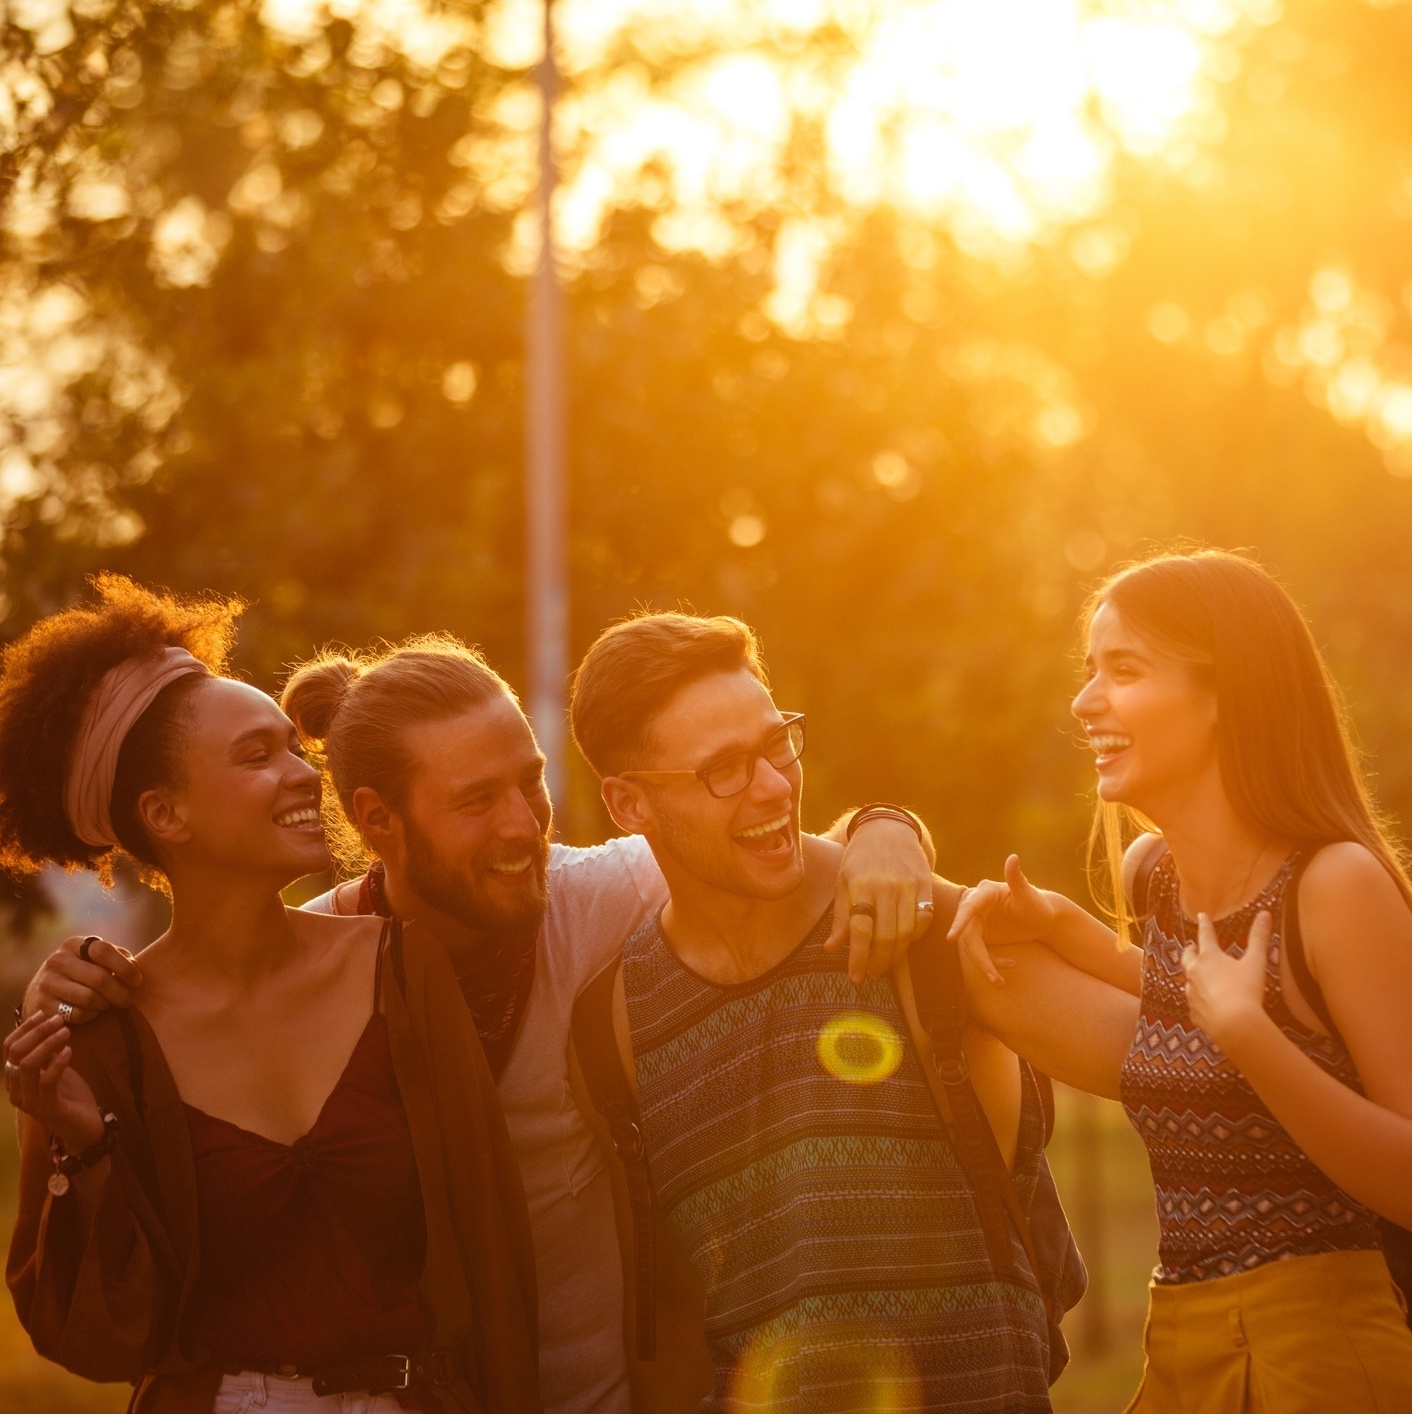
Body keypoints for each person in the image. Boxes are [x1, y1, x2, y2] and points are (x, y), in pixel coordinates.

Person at [29, 631, 939, 1414]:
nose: (523, 828)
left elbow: (772, 848)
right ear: (379, 821)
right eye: (475, 801)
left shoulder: (597, 895)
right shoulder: (340, 953)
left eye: (530, 783)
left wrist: (887, 830)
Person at [0, 576, 541, 1413]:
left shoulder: (401, 969)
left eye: (294, 748)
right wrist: (80, 1141)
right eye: (258, 757)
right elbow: (92, 1337)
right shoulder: (102, 1034)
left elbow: (494, 1256)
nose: (304, 775)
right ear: (165, 815)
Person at [568, 610, 1086, 1413]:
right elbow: (673, 1316)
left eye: (778, 743)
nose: (773, 785)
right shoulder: (613, 1024)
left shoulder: (917, 926)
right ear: (628, 805)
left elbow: (1160, 1056)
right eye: (724, 770)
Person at [951, 549, 1412, 1413]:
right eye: (1089, 672)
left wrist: (1254, 1041)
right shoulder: (1152, 875)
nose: (1086, 702)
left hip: (1326, 1355)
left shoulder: (1337, 886)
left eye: (1124, 671)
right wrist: (1068, 930)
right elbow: (1188, 1001)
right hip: (1180, 1347)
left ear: (1224, 697)